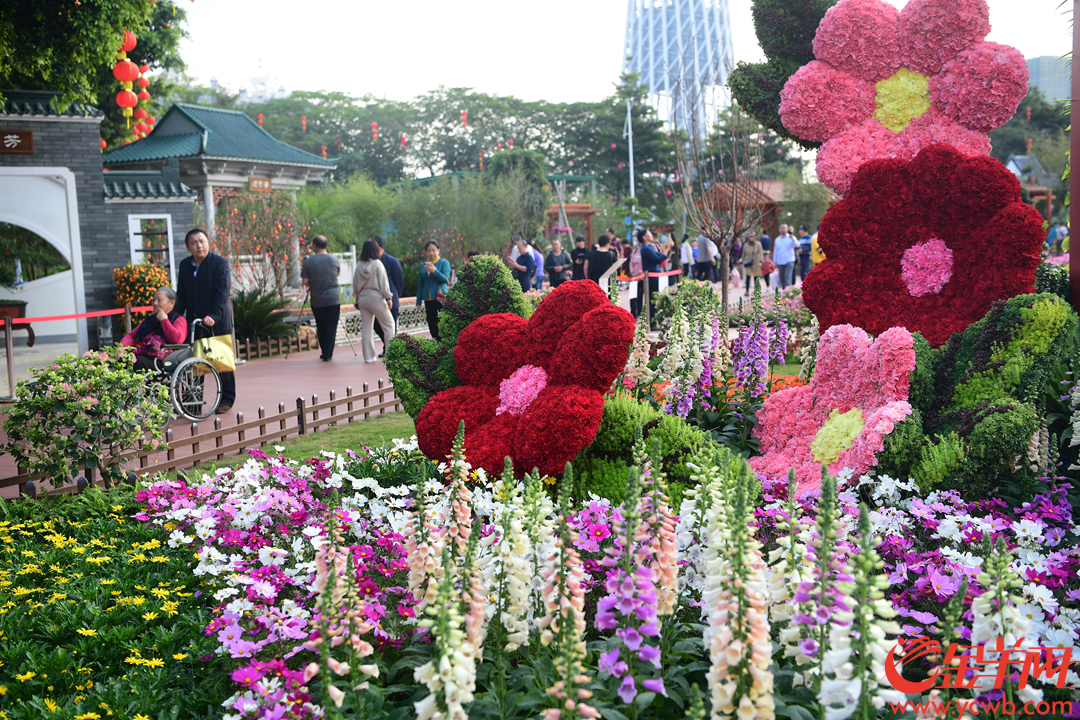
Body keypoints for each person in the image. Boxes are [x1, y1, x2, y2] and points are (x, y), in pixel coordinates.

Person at [175, 228, 236, 414]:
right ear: (188, 247)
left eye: (202, 241)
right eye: (194, 242)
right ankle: (192, 402)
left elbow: (222, 293)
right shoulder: (185, 265)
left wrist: (213, 315)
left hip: (216, 320)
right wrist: (177, 314)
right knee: (194, 361)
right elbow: (182, 293)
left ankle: (226, 399)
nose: (199, 245)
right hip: (194, 321)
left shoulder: (219, 263)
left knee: (220, 360)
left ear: (208, 243)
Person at [121, 286, 188, 370]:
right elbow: (131, 336)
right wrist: (122, 347)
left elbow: (177, 340)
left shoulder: (179, 319)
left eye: (159, 300)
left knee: (136, 362)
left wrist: (164, 320)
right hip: (144, 352)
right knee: (113, 359)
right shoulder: (150, 319)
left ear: (172, 303)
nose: (155, 303)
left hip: (163, 357)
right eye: (154, 300)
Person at [352, 239, 396, 363]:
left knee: (366, 328)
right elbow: (384, 282)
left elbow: (355, 283)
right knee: (389, 325)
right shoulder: (378, 264)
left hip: (362, 299)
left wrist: (356, 299)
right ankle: (391, 354)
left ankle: (368, 357)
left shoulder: (359, 265)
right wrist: (388, 297)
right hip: (375, 297)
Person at [301, 235, 341, 362]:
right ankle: (328, 353)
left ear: (314, 246)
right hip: (333, 299)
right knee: (331, 326)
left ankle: (325, 352)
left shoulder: (309, 261)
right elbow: (338, 274)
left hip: (317, 300)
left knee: (321, 325)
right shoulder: (334, 259)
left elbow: (305, 282)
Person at [372, 236, 403, 357]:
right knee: (376, 325)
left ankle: (391, 351)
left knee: (391, 326)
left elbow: (399, 280)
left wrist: (395, 296)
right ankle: (387, 345)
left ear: (380, 247)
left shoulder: (392, 261)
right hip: (376, 300)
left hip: (391, 300)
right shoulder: (372, 262)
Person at [415, 240, 451, 342]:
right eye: (429, 251)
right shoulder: (423, 265)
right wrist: (418, 301)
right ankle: (436, 345)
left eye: (433, 250)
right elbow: (420, 285)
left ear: (438, 250)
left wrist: (434, 271)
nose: (431, 253)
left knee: (440, 323)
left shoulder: (444, 263)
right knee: (431, 323)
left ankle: (443, 344)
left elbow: (445, 279)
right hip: (428, 299)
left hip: (440, 298)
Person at [638, 229, 666, 322]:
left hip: (654, 277)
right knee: (651, 300)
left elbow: (659, 256)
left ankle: (652, 321)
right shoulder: (646, 248)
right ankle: (651, 322)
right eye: (648, 233)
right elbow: (658, 259)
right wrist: (668, 249)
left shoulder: (649, 247)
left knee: (653, 300)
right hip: (651, 278)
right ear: (644, 237)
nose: (651, 235)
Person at [773, 224, 799, 290]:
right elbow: (775, 251)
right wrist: (775, 261)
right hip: (780, 261)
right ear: (779, 229)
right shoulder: (777, 239)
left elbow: (797, 245)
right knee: (782, 278)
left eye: (784, 228)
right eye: (782, 228)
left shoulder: (791, 237)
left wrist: (793, 238)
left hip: (789, 260)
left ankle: (789, 294)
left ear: (787, 229)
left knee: (787, 277)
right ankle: (784, 292)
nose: (783, 229)